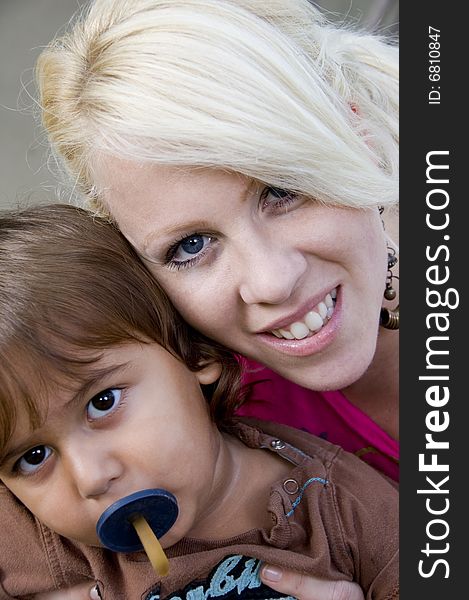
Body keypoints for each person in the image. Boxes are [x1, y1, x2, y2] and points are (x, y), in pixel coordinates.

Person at [35, 0, 399, 597]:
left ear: (355, 127)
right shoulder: (198, 424)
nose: (271, 282)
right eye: (192, 245)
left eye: (282, 188)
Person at [0, 204, 398, 600]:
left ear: (194, 354)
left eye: (103, 402)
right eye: (33, 457)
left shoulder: (342, 506)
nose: (91, 478)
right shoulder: (34, 533)